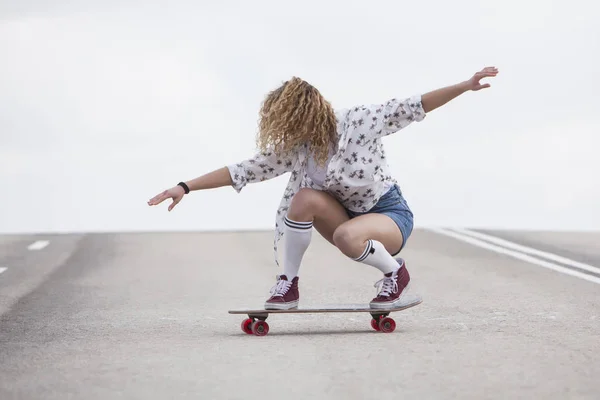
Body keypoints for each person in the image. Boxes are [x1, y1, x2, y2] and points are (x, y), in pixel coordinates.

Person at [148, 66, 499, 310]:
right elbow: (245, 169)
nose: (288, 133)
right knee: (302, 199)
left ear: (309, 114)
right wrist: (185, 186)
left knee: (348, 236)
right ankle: (288, 285)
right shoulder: (297, 149)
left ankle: (396, 272)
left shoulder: (360, 121)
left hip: (388, 216)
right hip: (343, 219)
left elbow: (414, 105)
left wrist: (465, 85)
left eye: (292, 123)